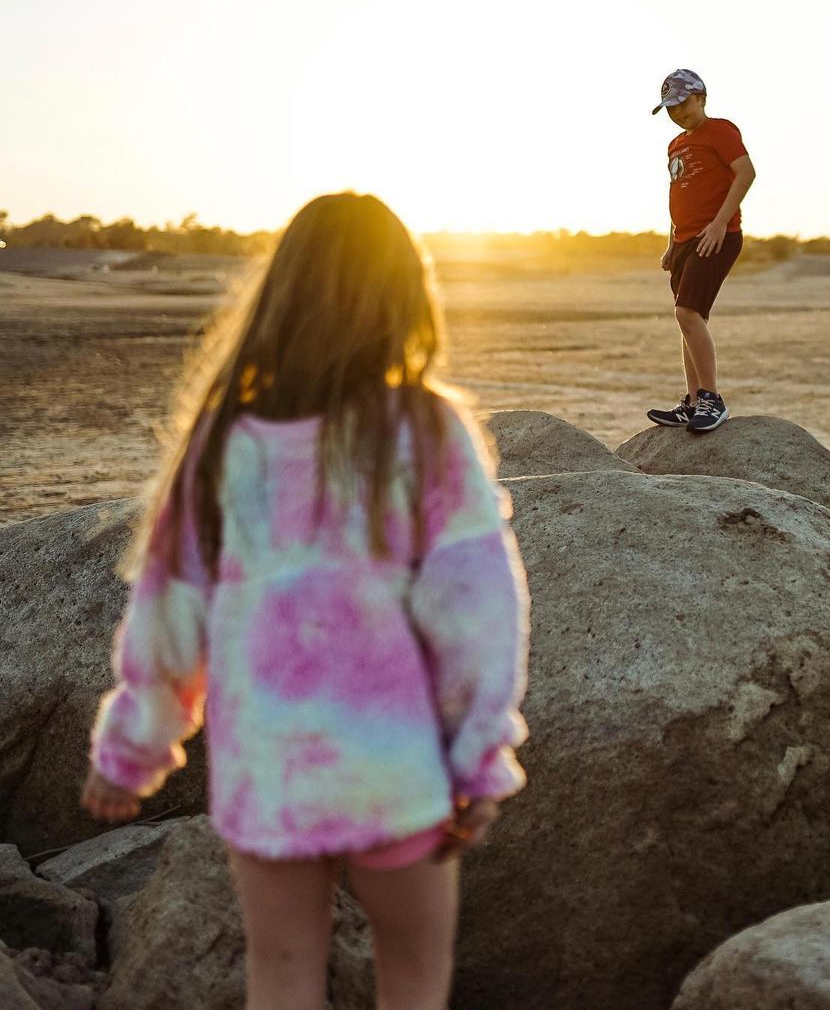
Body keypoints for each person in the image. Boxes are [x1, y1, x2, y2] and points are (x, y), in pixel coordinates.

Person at [81, 192, 530, 1010]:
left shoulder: (221, 440)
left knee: (281, 975)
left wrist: (132, 751)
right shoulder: (425, 430)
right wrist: (479, 757)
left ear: (280, 295)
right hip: (393, 765)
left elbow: (168, 614)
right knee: (415, 978)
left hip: (269, 765)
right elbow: (475, 612)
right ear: (405, 297)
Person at [646, 69, 756, 432]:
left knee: (687, 312)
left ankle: (711, 399)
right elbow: (677, 195)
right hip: (684, 240)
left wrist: (720, 223)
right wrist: (671, 242)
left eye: (683, 104)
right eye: (671, 108)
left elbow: (746, 173)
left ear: (701, 98)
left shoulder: (721, 130)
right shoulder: (675, 145)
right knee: (689, 320)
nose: (678, 113)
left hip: (715, 236)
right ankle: (693, 403)